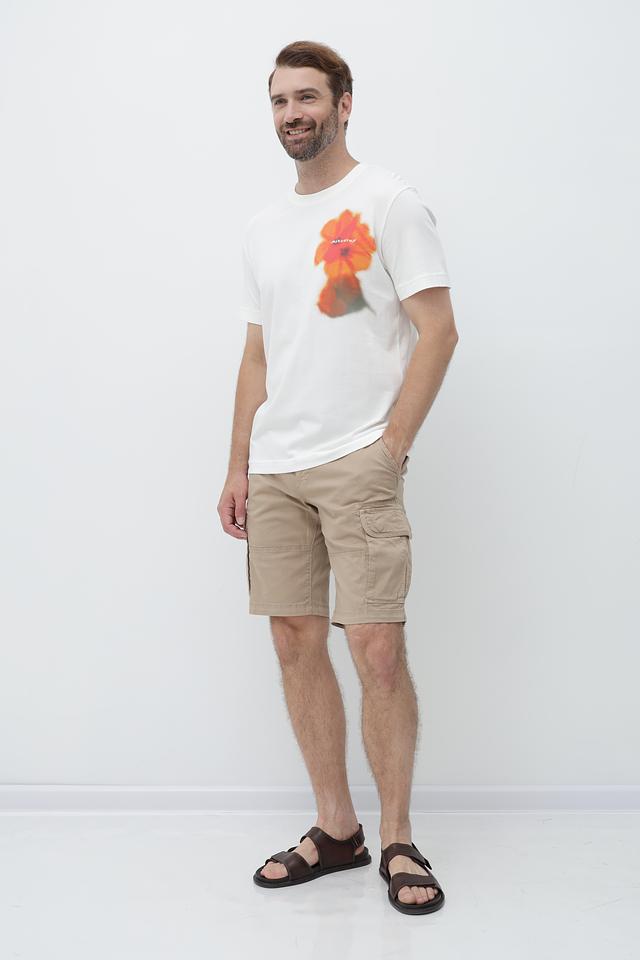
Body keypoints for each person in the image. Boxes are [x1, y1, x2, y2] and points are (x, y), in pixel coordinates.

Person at [218, 40, 458, 916]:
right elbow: (258, 354)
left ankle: (397, 837)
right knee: (294, 640)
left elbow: (439, 330)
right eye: (280, 101)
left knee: (377, 648)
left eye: (308, 97)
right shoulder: (262, 229)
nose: (293, 114)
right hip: (277, 467)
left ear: (344, 103)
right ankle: (338, 827)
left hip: (359, 460)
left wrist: (391, 447)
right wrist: (238, 462)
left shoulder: (389, 202)